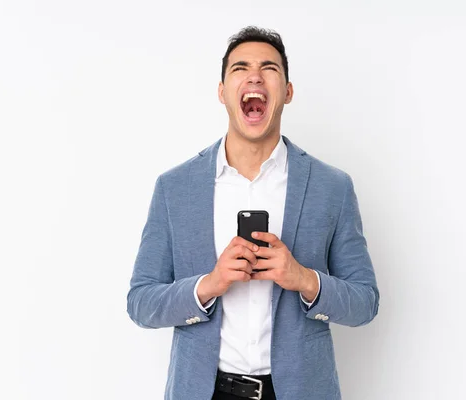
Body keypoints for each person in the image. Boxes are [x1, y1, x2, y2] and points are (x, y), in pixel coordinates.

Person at [127, 26, 379, 400]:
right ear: (222, 91)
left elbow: (364, 302)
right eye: (240, 68)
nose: (255, 76)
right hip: (203, 390)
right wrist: (208, 284)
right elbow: (141, 303)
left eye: (270, 68)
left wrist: (304, 278)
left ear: (287, 92)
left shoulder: (332, 187)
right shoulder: (174, 187)